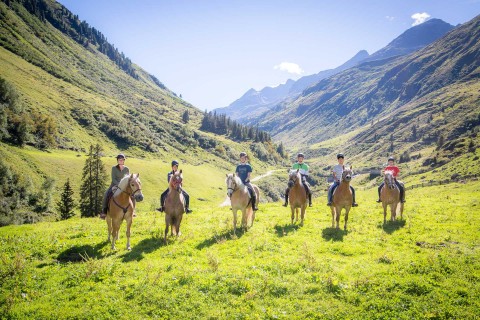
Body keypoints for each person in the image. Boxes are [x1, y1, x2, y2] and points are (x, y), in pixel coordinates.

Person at [100, 153, 130, 219]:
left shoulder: (127, 169)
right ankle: (104, 211)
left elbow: (128, 179)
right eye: (119, 160)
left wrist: (125, 186)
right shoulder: (114, 168)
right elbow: (113, 179)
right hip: (114, 184)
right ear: (117, 160)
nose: (121, 161)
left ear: (124, 160)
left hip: (124, 186)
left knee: (132, 195)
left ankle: (132, 211)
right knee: (106, 194)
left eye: (122, 160)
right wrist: (120, 185)